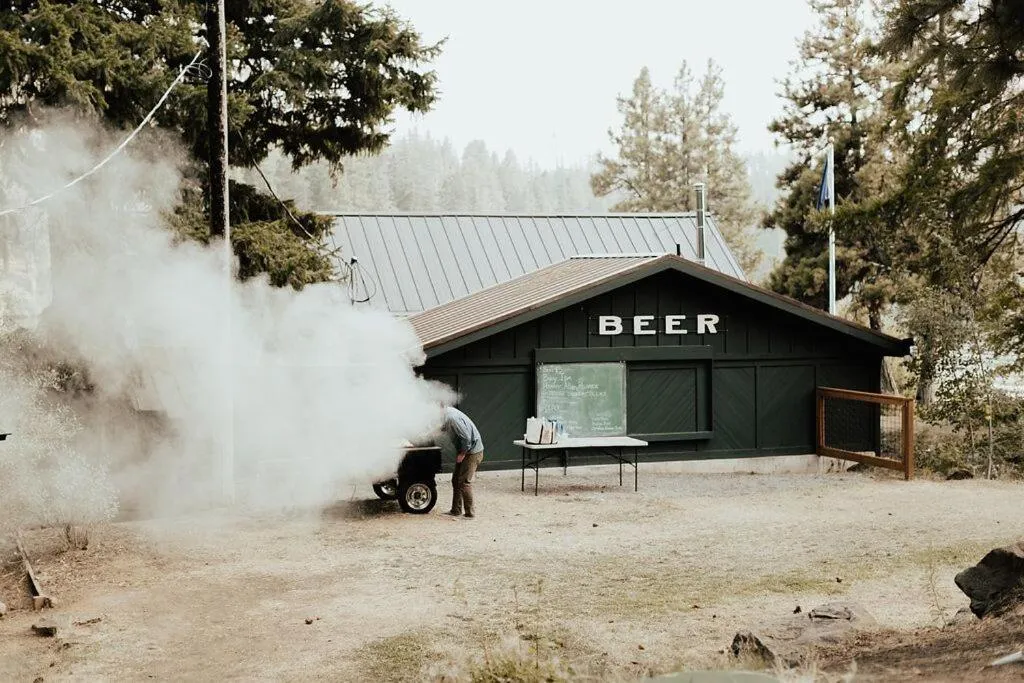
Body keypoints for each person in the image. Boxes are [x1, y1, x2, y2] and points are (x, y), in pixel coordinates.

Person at [439, 404, 484, 518]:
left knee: (464, 482)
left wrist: (462, 453)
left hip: (472, 452)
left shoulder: (452, 417)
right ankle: (456, 510)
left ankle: (470, 513)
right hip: (466, 451)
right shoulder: (447, 414)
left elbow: (466, 437)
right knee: (456, 480)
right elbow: (444, 427)